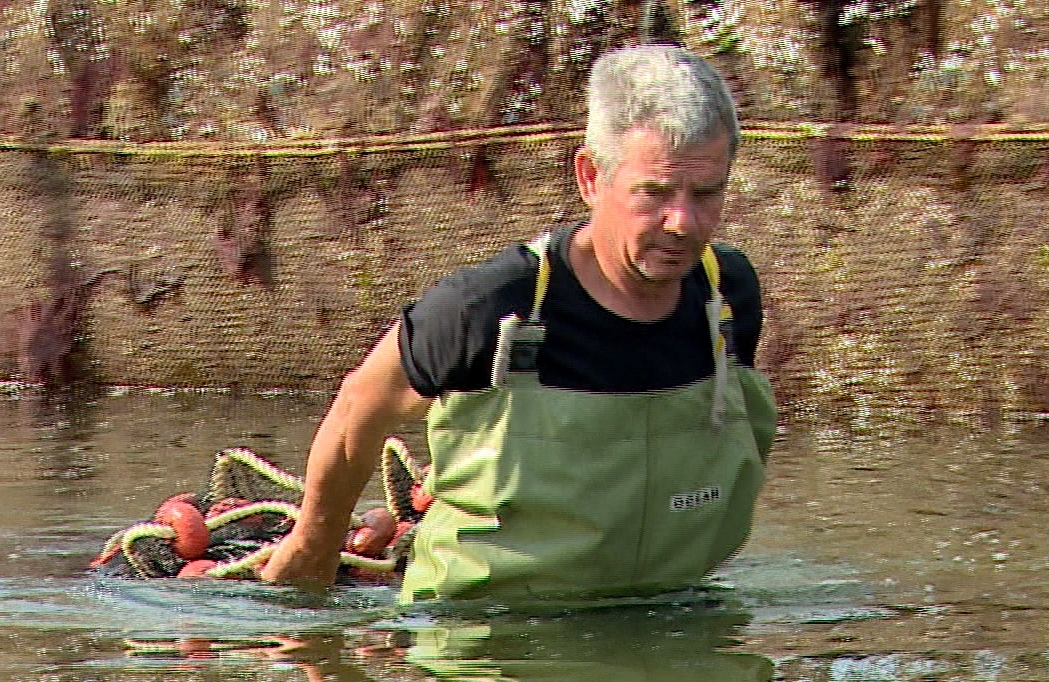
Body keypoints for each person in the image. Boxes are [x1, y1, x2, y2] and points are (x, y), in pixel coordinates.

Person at [254, 44, 775, 602]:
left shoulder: (727, 296)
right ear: (591, 177)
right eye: (652, 193)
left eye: (706, 193)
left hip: (674, 612)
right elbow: (361, 406)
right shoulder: (488, 308)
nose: (682, 222)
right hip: (490, 643)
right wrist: (313, 550)